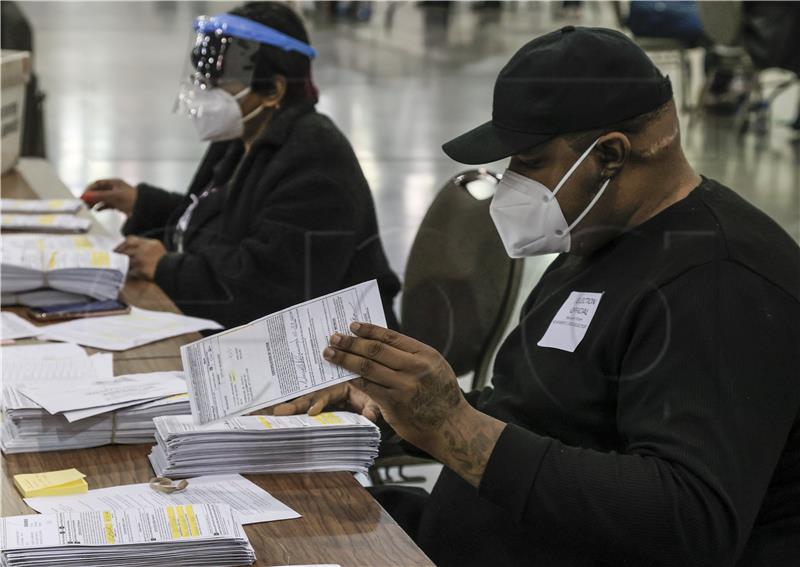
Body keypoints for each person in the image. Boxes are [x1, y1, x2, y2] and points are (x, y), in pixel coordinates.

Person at [275, 27, 800, 566]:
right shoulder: (601, 234)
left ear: (610, 156)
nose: (509, 185)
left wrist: (455, 426)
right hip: (469, 534)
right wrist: (400, 410)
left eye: (527, 163)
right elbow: (541, 413)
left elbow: (690, 520)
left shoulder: (721, 282)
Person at [82, 2, 400, 329]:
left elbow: (264, 289)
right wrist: (144, 204)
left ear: (273, 91)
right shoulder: (243, 136)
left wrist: (164, 268)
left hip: (332, 349)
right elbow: (222, 226)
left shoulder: (316, 162)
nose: (206, 94)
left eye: (221, 84)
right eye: (205, 80)